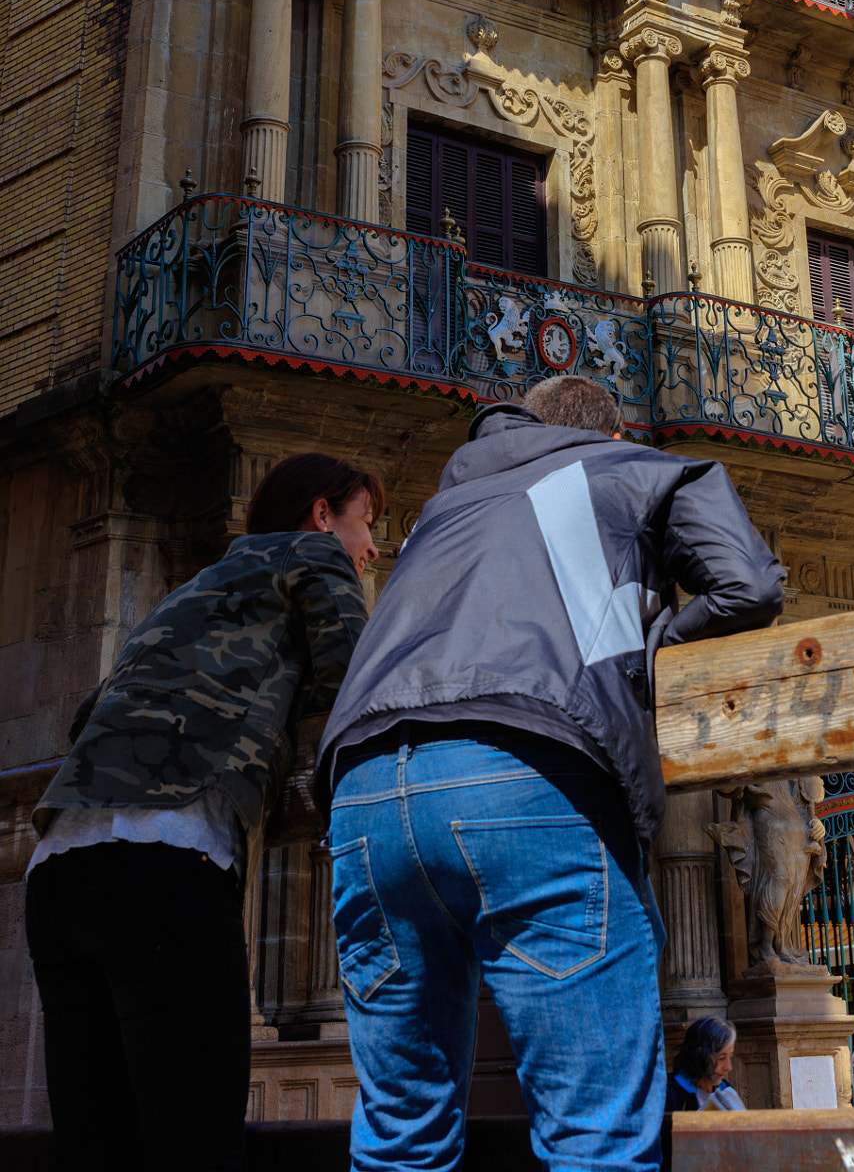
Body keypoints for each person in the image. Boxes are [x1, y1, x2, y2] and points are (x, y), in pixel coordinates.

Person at [319, 374, 785, 1172]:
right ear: (612, 433)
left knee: (400, 1141)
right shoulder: (633, 467)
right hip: (527, 773)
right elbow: (748, 583)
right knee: (592, 1141)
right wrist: (653, 642)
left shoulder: (446, 509)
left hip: (364, 791)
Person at [26, 453, 382, 1172]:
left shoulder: (194, 588)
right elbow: (350, 680)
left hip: (60, 867)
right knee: (194, 1141)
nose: (372, 547)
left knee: (97, 1146)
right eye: (367, 523)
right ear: (322, 515)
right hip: (164, 860)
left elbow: (92, 715)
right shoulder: (314, 554)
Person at [666, 1018, 744, 1113]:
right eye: (721, 1058)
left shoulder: (724, 1088)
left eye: (730, 1056)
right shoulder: (671, 1093)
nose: (729, 1067)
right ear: (699, 1055)